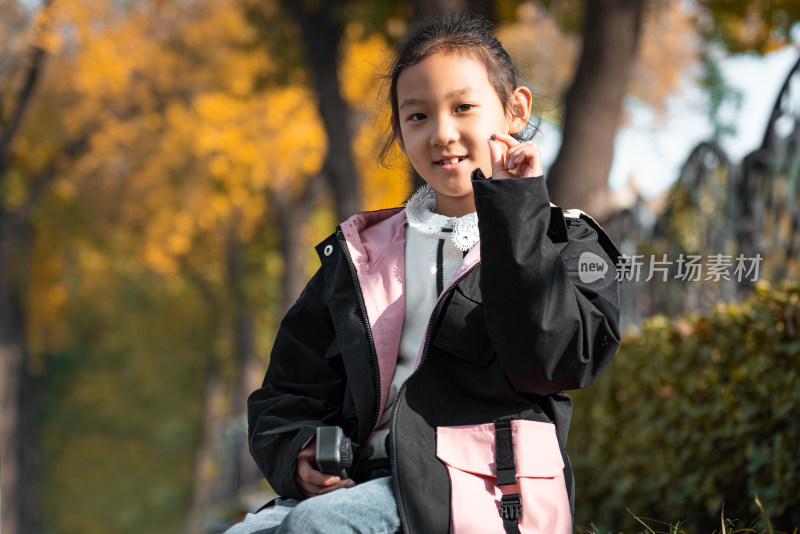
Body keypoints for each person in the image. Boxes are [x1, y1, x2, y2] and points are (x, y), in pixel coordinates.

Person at [224, 11, 622, 534]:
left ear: (514, 110)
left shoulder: (567, 240)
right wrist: (298, 452)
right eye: (417, 117)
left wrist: (516, 210)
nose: (442, 133)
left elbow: (549, 361)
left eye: (463, 108)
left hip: (482, 491)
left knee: (320, 527)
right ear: (399, 132)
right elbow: (288, 388)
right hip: (358, 483)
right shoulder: (360, 254)